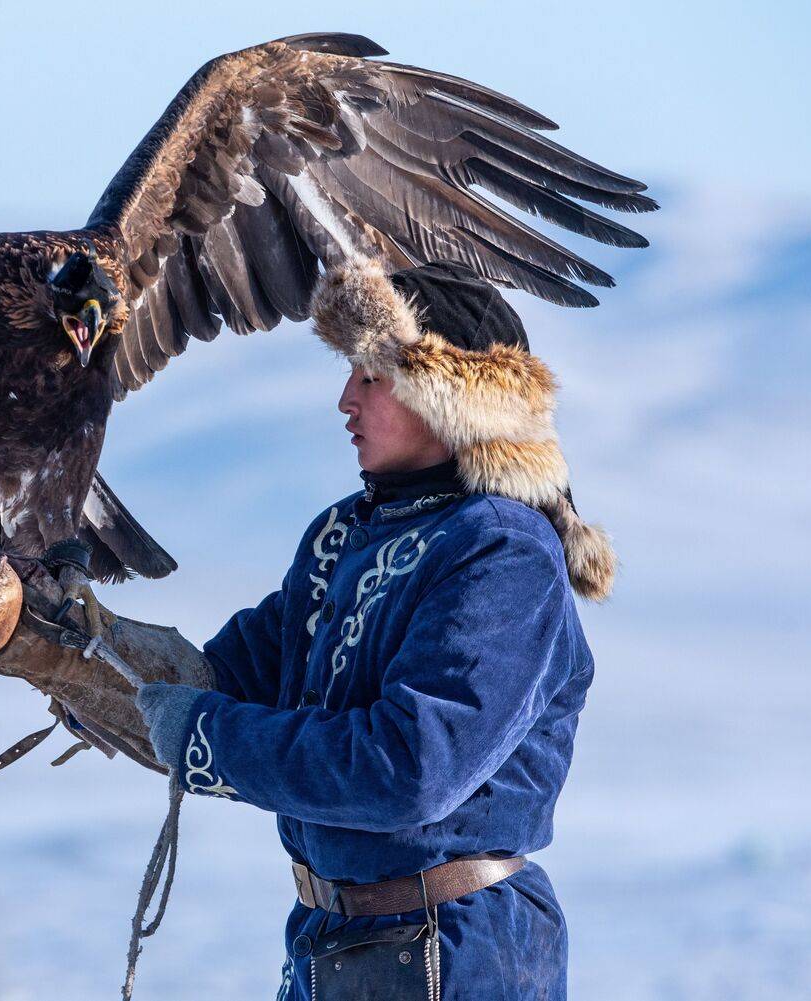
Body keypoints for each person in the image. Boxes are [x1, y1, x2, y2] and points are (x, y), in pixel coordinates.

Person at [134, 258, 615, 1000]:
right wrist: (75, 654)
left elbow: (409, 768)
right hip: (331, 944)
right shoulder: (343, 536)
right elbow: (214, 684)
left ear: (446, 393)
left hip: (459, 953)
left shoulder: (504, 552)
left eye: (370, 376)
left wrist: (208, 739)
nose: (344, 399)